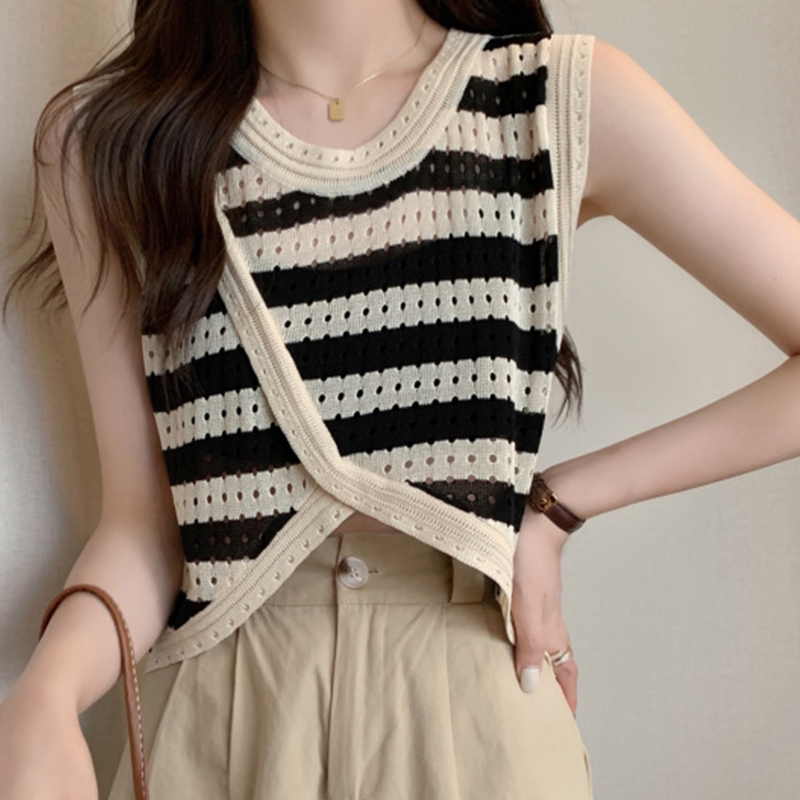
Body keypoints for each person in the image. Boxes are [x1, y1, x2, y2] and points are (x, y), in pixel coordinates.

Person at [1, 0, 799, 798]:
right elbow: (147, 526)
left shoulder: (551, 100)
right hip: (224, 729)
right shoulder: (108, 145)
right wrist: (47, 694)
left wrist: (555, 507)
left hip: (473, 725)